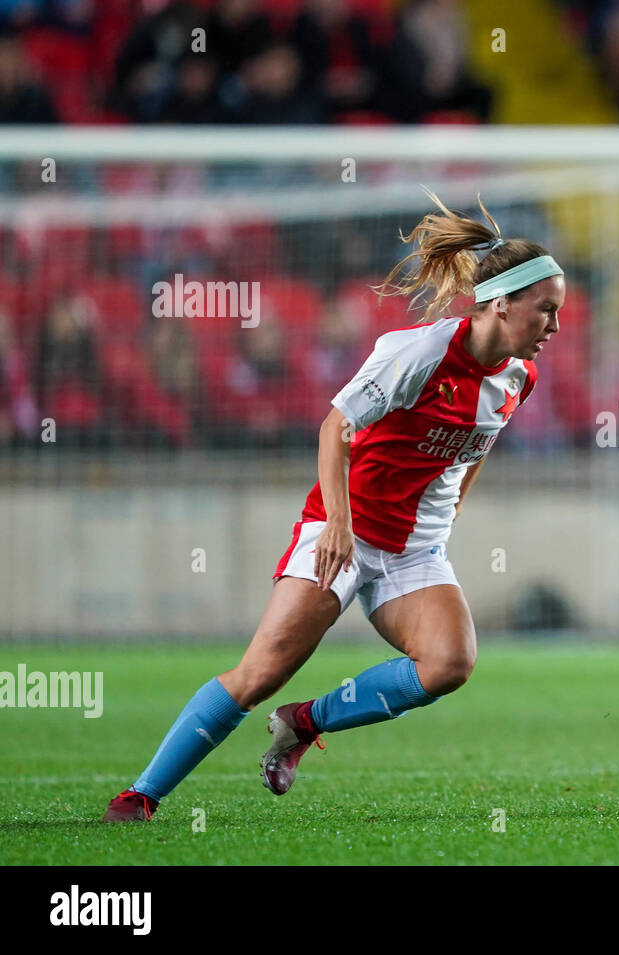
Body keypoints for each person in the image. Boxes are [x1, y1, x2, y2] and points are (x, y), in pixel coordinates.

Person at [103, 195, 564, 820]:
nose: (555, 327)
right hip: (341, 531)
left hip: (414, 550)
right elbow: (335, 429)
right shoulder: (419, 353)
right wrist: (339, 526)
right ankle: (141, 794)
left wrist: (454, 505)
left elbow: (478, 443)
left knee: (449, 664)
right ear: (501, 303)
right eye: (547, 310)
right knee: (260, 673)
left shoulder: (518, 377)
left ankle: (303, 722)